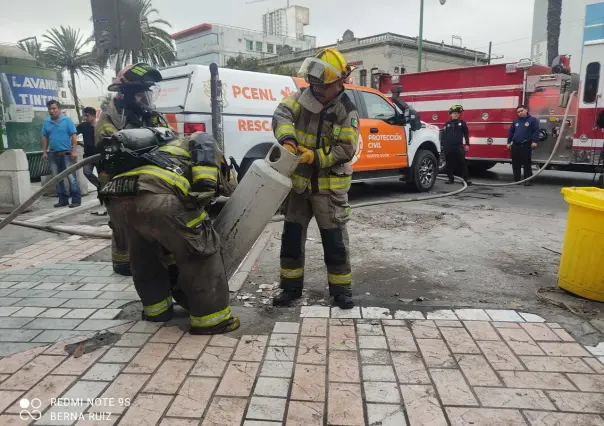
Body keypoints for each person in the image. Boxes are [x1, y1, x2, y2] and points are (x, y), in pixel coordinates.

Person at [101, 128, 239, 334]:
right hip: (158, 198)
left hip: (116, 201)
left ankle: (156, 311)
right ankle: (212, 320)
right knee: (201, 253)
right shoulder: (205, 143)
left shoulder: (162, 150)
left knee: (144, 256)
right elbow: (205, 187)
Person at [271, 47, 360, 309]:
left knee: (334, 243)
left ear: (339, 83)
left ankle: (341, 291)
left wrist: (315, 157)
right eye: (314, 84)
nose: (316, 90)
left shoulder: (346, 110)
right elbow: (281, 114)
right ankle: (290, 289)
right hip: (300, 186)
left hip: (328, 188)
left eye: (323, 86)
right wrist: (287, 140)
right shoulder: (301, 98)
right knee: (291, 240)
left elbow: (346, 149)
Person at [95, 63, 172, 276]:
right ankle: (121, 263)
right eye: (139, 94)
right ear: (126, 94)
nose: (144, 99)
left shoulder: (151, 115)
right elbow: (110, 146)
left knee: (149, 221)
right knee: (121, 225)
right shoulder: (109, 118)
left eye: (146, 94)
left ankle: (152, 260)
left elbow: (170, 136)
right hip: (115, 180)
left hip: (146, 177)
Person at [42, 100, 81, 208]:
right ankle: (63, 200)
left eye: (54, 108)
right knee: (57, 178)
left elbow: (74, 136)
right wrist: (44, 152)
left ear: (59, 109)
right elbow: (44, 137)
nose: (51, 111)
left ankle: (76, 200)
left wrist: (74, 150)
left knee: (71, 178)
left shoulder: (67, 120)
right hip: (53, 154)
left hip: (67, 154)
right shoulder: (46, 122)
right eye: (49, 109)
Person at [507, 105, 539, 185]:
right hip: (515, 145)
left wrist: (535, 141)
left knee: (526, 163)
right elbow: (511, 132)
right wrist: (508, 142)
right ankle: (517, 180)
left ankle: (528, 180)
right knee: (515, 163)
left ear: (526, 110)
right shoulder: (516, 121)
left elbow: (536, 131)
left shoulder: (532, 120)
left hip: (525, 145)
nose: (520, 113)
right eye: (518, 112)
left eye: (521, 111)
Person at [441, 105, 471, 185]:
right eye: (454, 113)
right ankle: (451, 179)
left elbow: (466, 133)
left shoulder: (462, 123)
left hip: (458, 146)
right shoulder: (447, 124)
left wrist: (467, 144)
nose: (456, 114)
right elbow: (443, 135)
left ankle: (466, 179)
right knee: (449, 163)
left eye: (457, 113)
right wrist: (442, 145)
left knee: (462, 163)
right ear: (450, 114)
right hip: (448, 147)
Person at [77, 107, 101, 190]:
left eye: (87, 116)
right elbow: (73, 133)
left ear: (94, 116)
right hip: (88, 155)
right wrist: (76, 142)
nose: (85, 118)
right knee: (86, 172)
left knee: (102, 175)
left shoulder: (100, 126)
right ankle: (100, 187)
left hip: (99, 156)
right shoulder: (83, 126)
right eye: (84, 116)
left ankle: (104, 194)